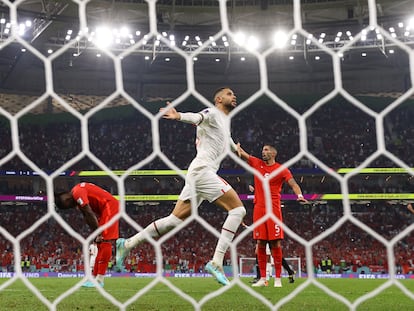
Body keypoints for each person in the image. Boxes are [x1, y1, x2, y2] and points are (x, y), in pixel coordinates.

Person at [115, 87, 246, 286]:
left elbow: (231, 146)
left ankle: (128, 243)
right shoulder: (212, 113)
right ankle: (217, 262)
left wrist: (248, 157)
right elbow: (197, 118)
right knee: (238, 210)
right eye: (229, 94)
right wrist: (178, 116)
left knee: (173, 221)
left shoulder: (224, 123)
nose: (233, 95)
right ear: (218, 98)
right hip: (203, 171)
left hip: (198, 173)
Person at [238, 144, 308, 287]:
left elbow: (293, 183)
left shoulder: (281, 170)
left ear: (273, 153)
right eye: (263, 150)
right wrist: (234, 146)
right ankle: (263, 278)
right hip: (259, 209)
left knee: (275, 243)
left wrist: (299, 195)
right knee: (260, 243)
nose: (263, 152)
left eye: (266, 150)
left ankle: (277, 278)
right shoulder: (257, 163)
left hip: (274, 210)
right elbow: (243, 154)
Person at [54, 182, 119, 288]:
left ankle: (99, 279)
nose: (70, 208)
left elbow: (89, 213)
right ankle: (94, 278)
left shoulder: (77, 192)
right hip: (105, 209)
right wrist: (96, 234)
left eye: (67, 207)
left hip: (109, 206)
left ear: (66, 200)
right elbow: (87, 216)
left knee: (105, 241)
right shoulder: (77, 196)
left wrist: (98, 232)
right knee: (99, 243)